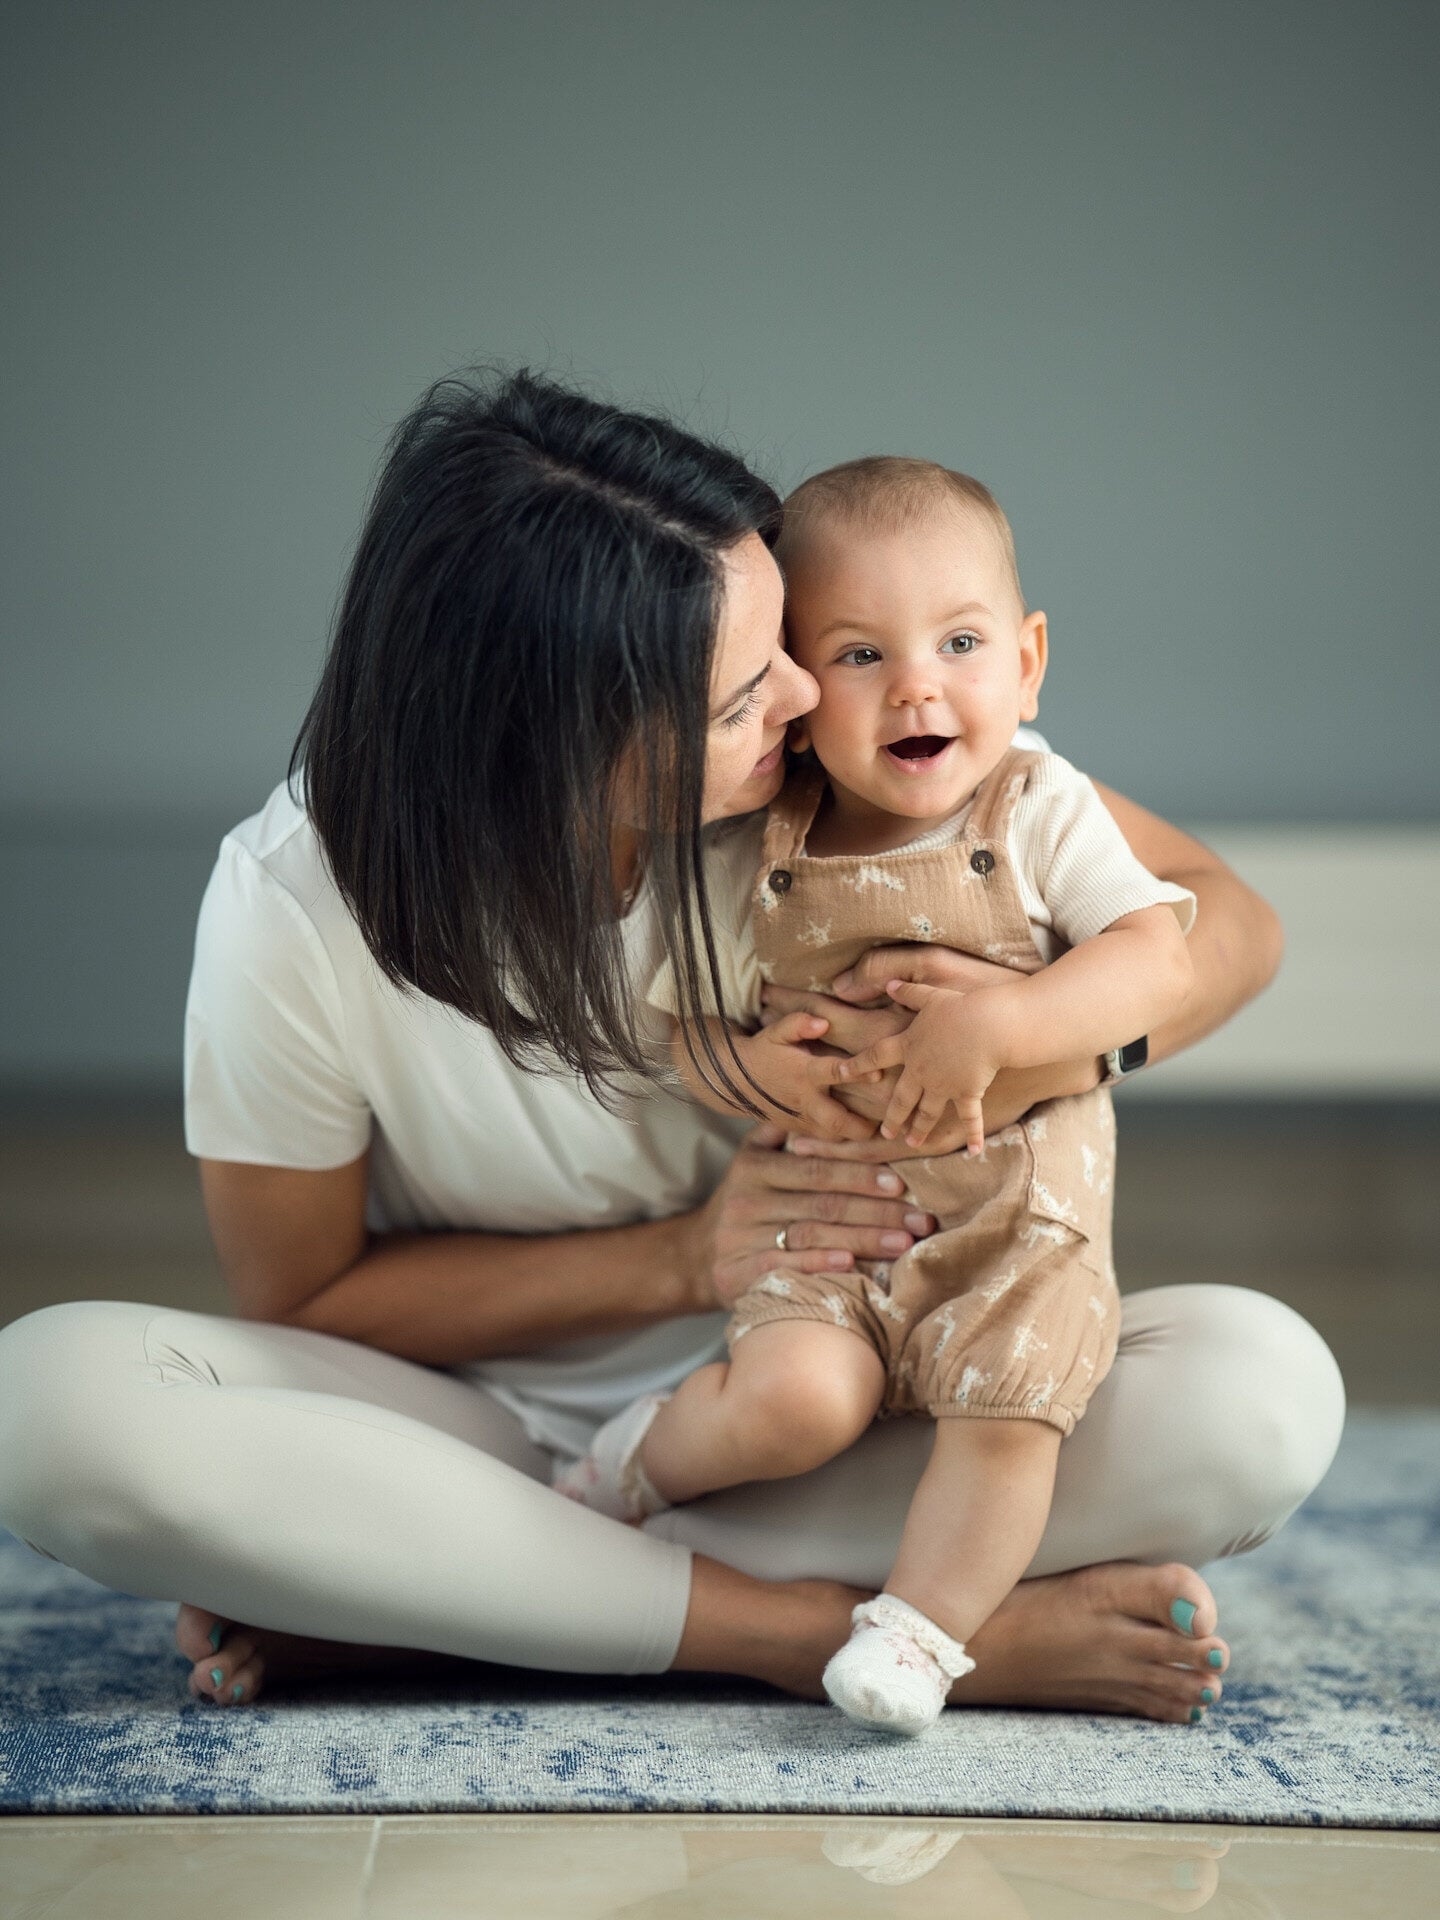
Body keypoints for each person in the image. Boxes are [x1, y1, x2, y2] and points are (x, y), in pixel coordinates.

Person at [0, 370, 1343, 1728]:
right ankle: (815, 1635)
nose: (816, 692)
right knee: (52, 1411)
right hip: (461, 1434)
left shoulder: (862, 769)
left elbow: (1224, 926)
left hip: (833, 1415)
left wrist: (992, 1056)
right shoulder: (292, 902)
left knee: (1258, 1394)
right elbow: (303, 1302)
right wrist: (688, 1255)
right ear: (565, 744)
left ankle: (464, 1603)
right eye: (749, 694)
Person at [557, 455, 1199, 1735]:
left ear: (1028, 660)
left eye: (960, 642)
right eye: (857, 655)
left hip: (1017, 1231)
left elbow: (1158, 955)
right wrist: (744, 1069)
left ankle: (918, 1635)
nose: (917, 684)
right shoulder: (752, 847)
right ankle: (623, 1474)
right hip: (832, 1211)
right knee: (799, 1399)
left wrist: (1009, 1020)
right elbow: (676, 1023)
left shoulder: (1040, 809)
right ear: (792, 689)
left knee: (1011, 1419)